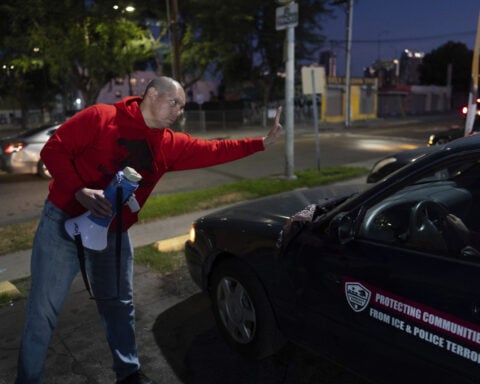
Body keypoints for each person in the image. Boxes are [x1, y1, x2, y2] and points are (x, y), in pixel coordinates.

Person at [15, 76, 283, 384]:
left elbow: (214, 150)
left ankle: (128, 374)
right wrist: (79, 191)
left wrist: (260, 144)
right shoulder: (101, 118)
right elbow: (53, 150)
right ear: (152, 94)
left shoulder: (169, 144)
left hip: (112, 236)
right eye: (174, 103)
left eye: (182, 106)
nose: (179, 111)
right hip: (63, 225)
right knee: (43, 311)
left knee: (119, 306)